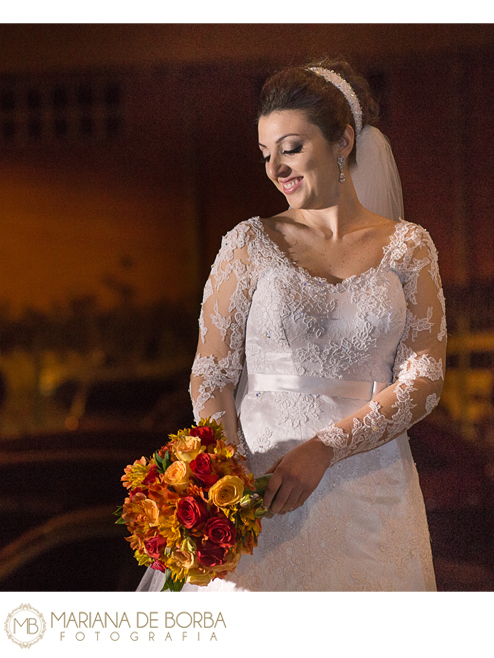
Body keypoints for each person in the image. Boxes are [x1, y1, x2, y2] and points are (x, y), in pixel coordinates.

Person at [137, 58, 445, 591]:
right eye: (265, 154)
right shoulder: (248, 245)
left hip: (373, 497)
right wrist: (228, 479)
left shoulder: (410, 247)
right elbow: (211, 375)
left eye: (292, 147)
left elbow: (424, 378)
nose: (276, 167)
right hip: (265, 489)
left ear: (343, 141)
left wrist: (327, 446)